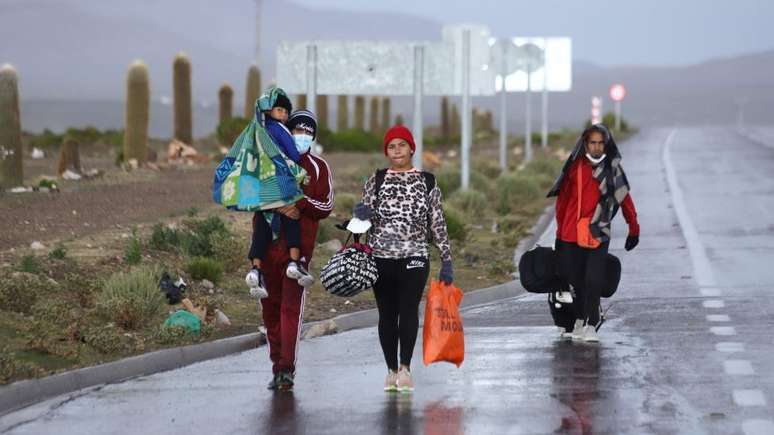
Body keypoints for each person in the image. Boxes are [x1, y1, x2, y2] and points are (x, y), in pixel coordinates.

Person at [353, 125, 453, 393]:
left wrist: (447, 260)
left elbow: (438, 223)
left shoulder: (427, 181)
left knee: (408, 310)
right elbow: (363, 222)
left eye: (401, 145)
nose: (397, 150)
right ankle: (390, 371)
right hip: (381, 257)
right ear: (386, 151)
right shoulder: (376, 180)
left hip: (415, 255)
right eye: (391, 146)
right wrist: (359, 216)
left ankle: (406, 368)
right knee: (387, 314)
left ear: (411, 148)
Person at [260, 109, 334, 391]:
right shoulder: (270, 161)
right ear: (287, 131)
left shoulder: (318, 168)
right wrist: (276, 204)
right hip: (267, 247)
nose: (302, 136)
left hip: (298, 254)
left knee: (290, 310)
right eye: (297, 130)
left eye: (308, 132)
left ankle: (286, 370)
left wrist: (300, 203)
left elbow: (326, 207)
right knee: (270, 311)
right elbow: (251, 195)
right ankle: (276, 365)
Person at [547, 124, 640, 343]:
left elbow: (624, 199)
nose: (596, 147)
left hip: (599, 231)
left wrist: (633, 229)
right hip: (571, 233)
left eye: (600, 143)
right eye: (592, 143)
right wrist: (559, 234)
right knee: (575, 279)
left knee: (593, 278)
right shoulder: (575, 168)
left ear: (606, 145)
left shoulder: (612, 169)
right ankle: (580, 318)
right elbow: (563, 202)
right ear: (585, 144)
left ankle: (590, 324)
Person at [246, 88, 313, 298]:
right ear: (270, 110)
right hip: (282, 180)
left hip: (264, 184)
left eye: (286, 111)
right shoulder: (280, 130)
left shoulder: (257, 130)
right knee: (292, 217)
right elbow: (292, 152)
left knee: (263, 227)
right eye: (280, 110)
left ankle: (255, 269)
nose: (284, 115)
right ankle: (294, 263)